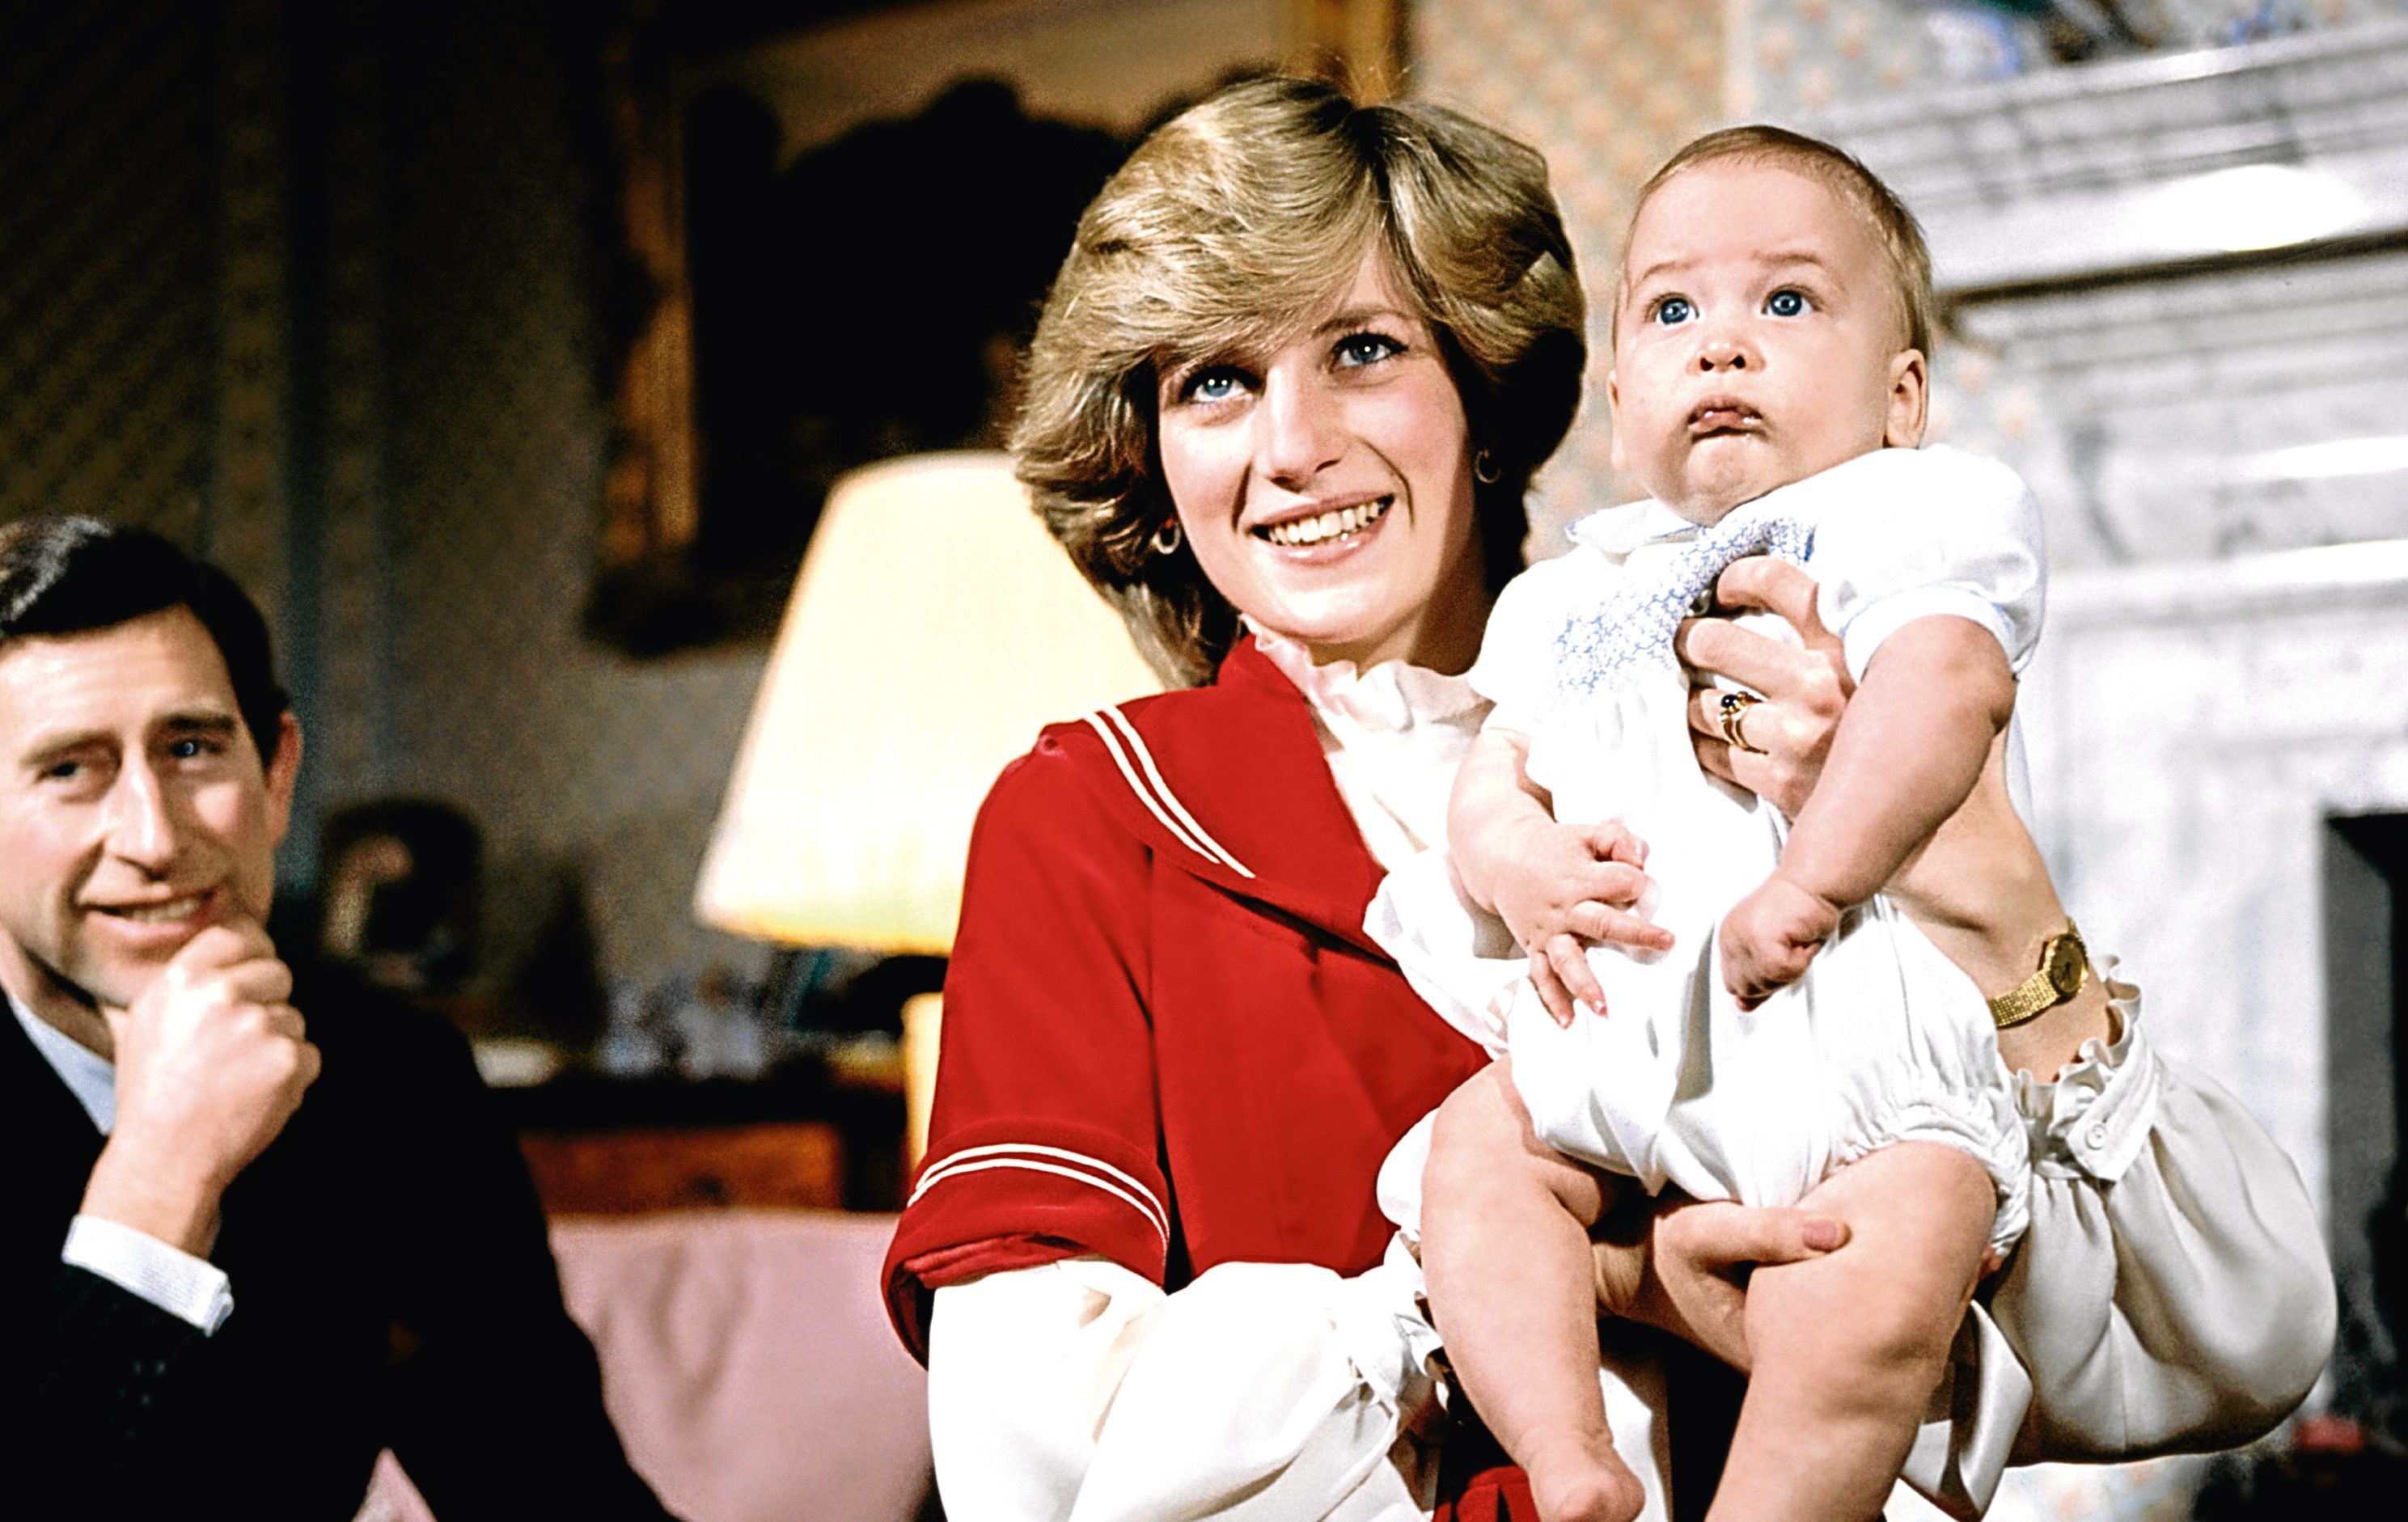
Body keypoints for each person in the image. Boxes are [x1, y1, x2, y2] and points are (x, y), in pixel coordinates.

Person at [878, 77, 2334, 1522]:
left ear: (1483, 393)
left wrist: (1977, 876)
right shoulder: (1099, 817)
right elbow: (1030, 1457)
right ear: (1150, 449)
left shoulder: (1772, 713)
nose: (1288, 446)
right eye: (1213, 382)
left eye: (1364, 350)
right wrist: (1600, 1281)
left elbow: (2236, 1343)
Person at [1371, 126, 2086, 1522]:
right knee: (1477, 1155)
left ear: (1901, 395)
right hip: (1616, 1041)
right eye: (1673, 309)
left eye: (1786, 302)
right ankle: (1567, 1458)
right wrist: (1516, 864)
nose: (1722, 345)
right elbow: (1489, 774)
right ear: (1624, 388)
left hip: (1851, 1053)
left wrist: (1810, 882)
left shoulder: (1907, 511)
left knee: (1887, 1263)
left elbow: (1949, 689)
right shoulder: (1561, 597)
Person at [0, 517, 674, 1520]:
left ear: (275, 775)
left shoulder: (392, 1075)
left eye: (191, 748)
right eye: (70, 769)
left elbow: (553, 1487)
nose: (153, 836)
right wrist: (161, 1171)